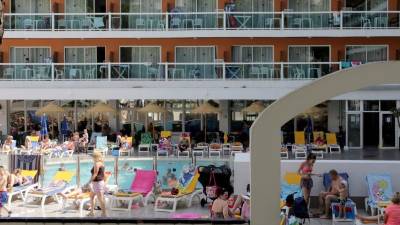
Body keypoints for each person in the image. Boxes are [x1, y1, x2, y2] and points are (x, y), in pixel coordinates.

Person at [88, 152, 106, 217]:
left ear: (95, 157)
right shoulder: (101, 163)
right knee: (91, 196)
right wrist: (104, 183)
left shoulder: (96, 164)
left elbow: (95, 174)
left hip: (97, 183)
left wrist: (89, 182)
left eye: (92, 157)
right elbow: (104, 174)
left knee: (100, 199)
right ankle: (92, 212)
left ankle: (104, 214)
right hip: (98, 183)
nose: (92, 158)